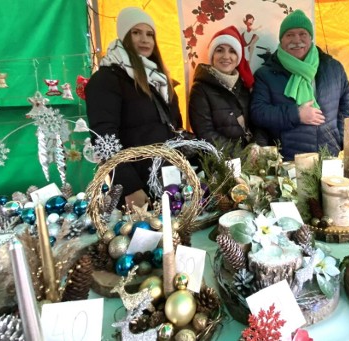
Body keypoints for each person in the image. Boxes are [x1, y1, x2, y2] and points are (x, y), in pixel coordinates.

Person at [85, 7, 182, 208]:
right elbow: (103, 137)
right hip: (137, 185)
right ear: (124, 36)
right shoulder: (107, 79)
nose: (145, 40)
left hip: (168, 178)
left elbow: (175, 128)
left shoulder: (161, 81)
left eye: (149, 34)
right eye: (136, 33)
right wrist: (128, 186)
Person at [250, 9, 349, 160]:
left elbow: (345, 106)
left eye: (302, 34)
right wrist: (296, 115)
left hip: (328, 155)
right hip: (288, 159)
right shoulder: (266, 74)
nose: (297, 40)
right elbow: (258, 113)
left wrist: (340, 140)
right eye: (290, 34)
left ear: (310, 37)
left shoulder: (333, 68)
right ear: (281, 40)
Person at [188, 26, 267, 150]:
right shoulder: (200, 89)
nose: (226, 56)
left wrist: (257, 147)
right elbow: (205, 133)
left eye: (232, 51)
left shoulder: (244, 86)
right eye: (220, 50)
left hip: (251, 160)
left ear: (238, 58)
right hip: (221, 164)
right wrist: (240, 155)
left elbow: (258, 123)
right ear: (212, 55)